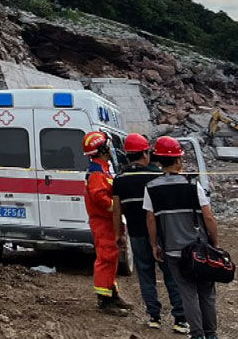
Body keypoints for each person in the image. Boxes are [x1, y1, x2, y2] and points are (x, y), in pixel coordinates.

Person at [144, 136, 221, 339]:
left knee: (187, 293)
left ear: (159, 161)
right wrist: (215, 243)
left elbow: (151, 220)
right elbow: (209, 217)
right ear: (178, 160)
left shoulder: (151, 188)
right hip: (200, 249)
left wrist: (154, 245)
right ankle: (211, 334)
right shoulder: (192, 186)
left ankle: (197, 335)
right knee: (206, 293)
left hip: (172, 250)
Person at [113, 133, 189, 333]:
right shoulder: (156, 177)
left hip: (136, 234)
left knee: (145, 275)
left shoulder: (119, 180)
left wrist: (118, 234)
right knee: (171, 275)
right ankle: (180, 319)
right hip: (161, 234)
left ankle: (154, 317)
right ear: (146, 153)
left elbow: (117, 210)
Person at [83, 130, 134, 316]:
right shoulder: (97, 172)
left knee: (111, 257)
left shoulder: (102, 168)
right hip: (103, 222)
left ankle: (112, 294)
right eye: (108, 146)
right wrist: (117, 207)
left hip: (108, 221)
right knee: (106, 258)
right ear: (102, 148)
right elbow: (99, 197)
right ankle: (105, 301)